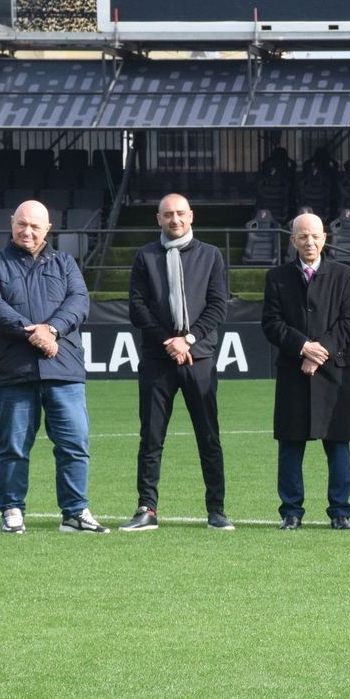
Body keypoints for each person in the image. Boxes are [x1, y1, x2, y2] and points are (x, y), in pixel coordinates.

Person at [0, 200, 108, 534]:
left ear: (48, 229)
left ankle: (75, 513)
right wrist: (34, 333)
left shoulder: (65, 263)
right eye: (22, 224)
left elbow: (79, 302)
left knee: (74, 445)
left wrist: (53, 330)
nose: (27, 231)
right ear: (11, 223)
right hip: (15, 372)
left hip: (64, 370)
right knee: (14, 447)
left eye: (35, 226)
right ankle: (12, 509)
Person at [119, 193, 234, 531]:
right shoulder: (145, 257)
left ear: (191, 216)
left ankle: (216, 510)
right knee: (151, 437)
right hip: (158, 358)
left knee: (208, 436)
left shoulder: (211, 255)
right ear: (158, 219)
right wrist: (168, 341)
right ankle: (146, 509)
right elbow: (137, 308)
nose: (175, 220)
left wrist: (188, 339)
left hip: (198, 358)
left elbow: (217, 306)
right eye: (168, 214)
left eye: (180, 213)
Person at [262, 212, 350, 530]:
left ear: (325, 238)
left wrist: (319, 352)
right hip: (293, 372)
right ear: (293, 240)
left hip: (335, 374)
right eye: (303, 236)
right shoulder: (276, 277)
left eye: (315, 235)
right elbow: (271, 323)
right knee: (290, 444)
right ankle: (291, 511)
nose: (310, 242)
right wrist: (302, 347)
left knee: (338, 444)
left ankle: (340, 512)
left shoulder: (345, 276)